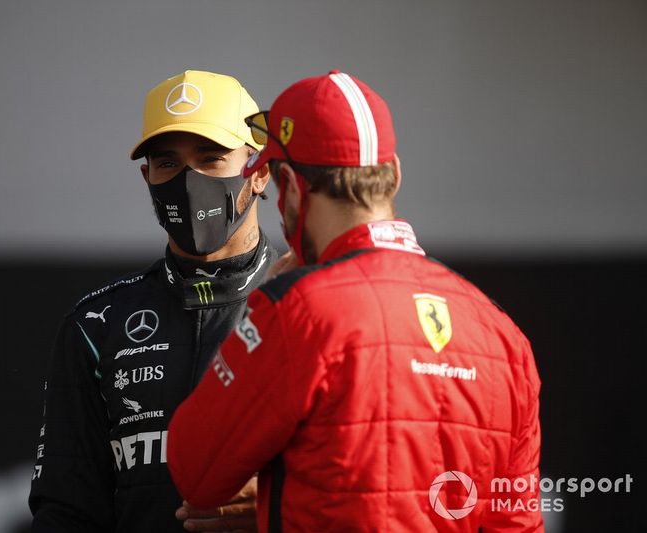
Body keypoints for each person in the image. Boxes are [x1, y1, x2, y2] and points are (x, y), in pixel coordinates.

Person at [168, 71, 543, 532]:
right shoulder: (502, 335)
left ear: (289, 185)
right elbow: (517, 523)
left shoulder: (295, 310)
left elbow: (195, 471)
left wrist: (262, 312)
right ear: (395, 175)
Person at [29, 70, 277, 532]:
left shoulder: (311, 304)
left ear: (258, 170)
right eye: (168, 164)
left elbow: (370, 487)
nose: (189, 179)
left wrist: (280, 507)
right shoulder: (96, 324)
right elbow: (65, 510)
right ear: (147, 177)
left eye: (211, 158)